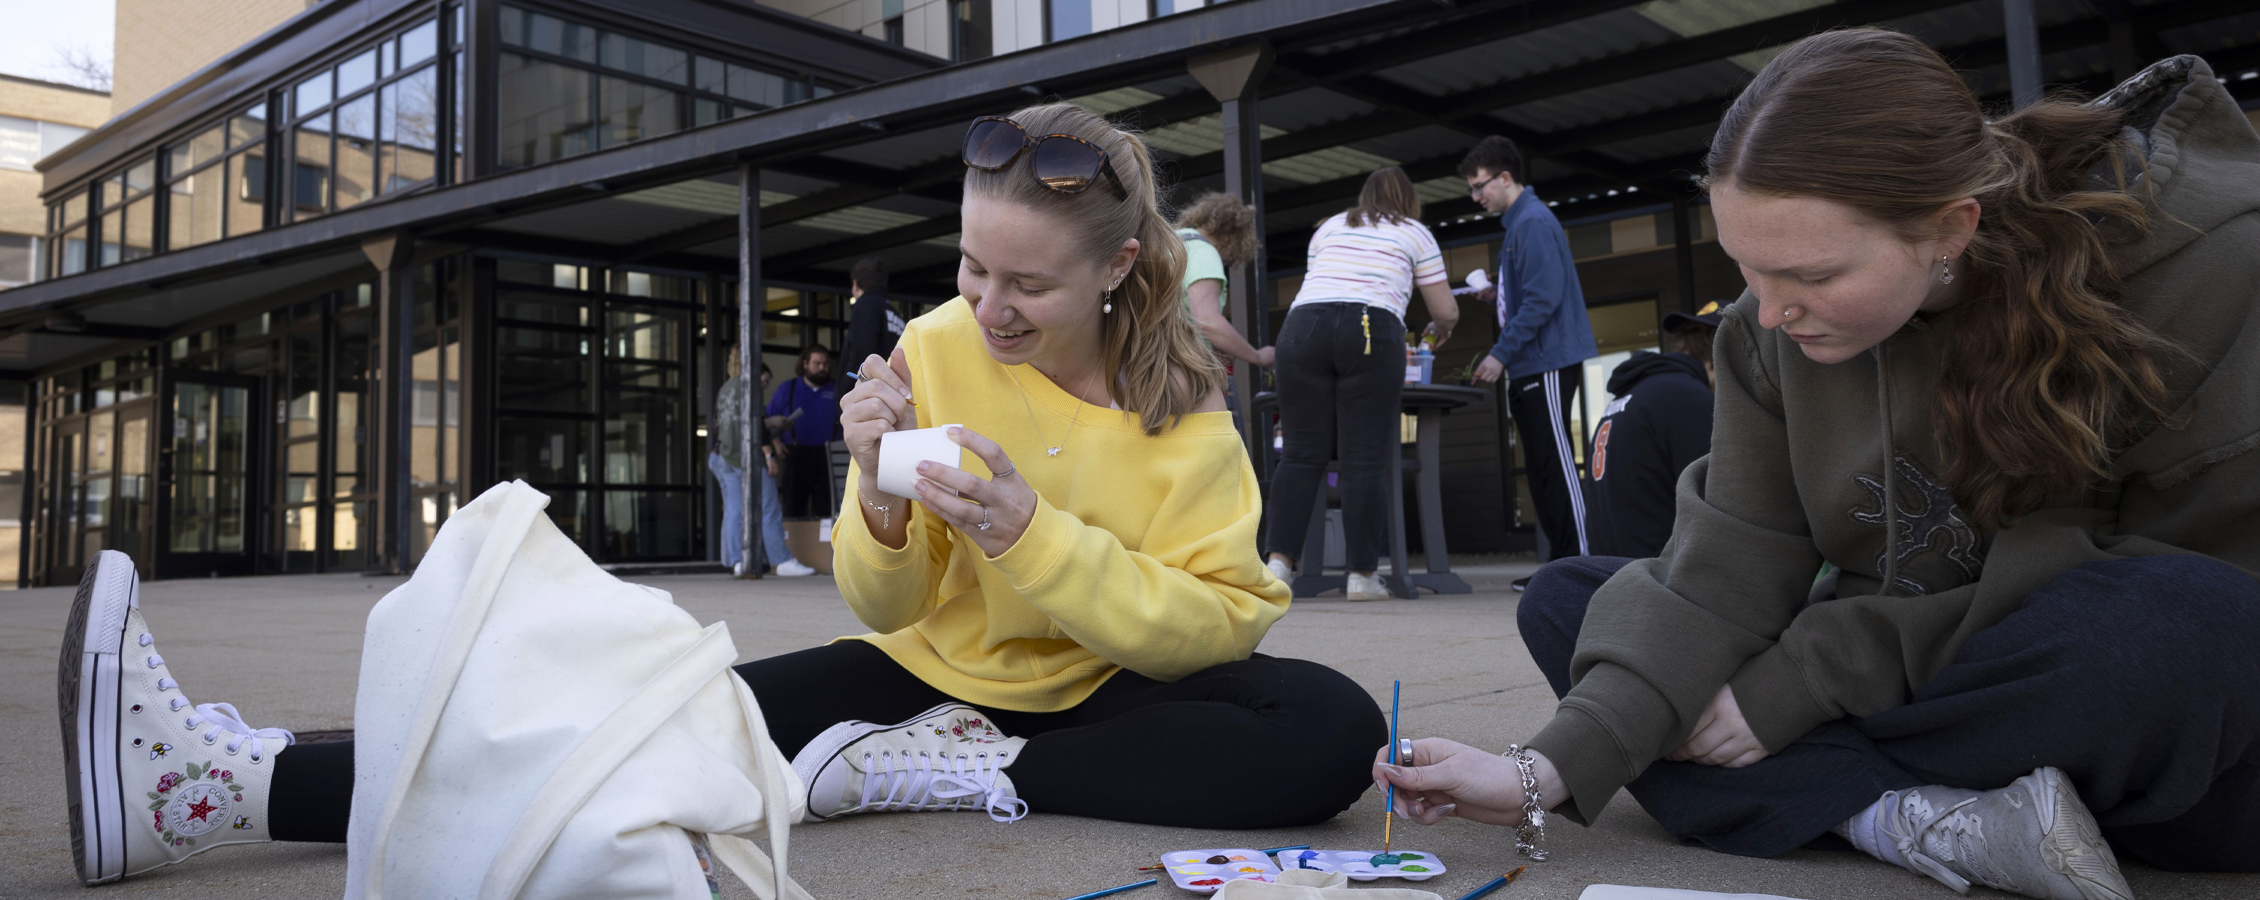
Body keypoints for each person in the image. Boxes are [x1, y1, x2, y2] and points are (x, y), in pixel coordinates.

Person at [57, 105, 1391, 887]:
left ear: (1116, 271)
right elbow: (889, 600)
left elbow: (1213, 623)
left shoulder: (1185, 414)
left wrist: (1037, 539)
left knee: (1327, 729)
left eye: (1026, 287)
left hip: (1112, 688)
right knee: (652, 722)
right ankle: (227, 784)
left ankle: (984, 776)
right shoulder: (935, 348)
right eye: (972, 268)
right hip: (923, 671)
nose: (985, 308)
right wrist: (874, 496)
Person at [1374, 32, 2260, 900]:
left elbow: (2171, 585)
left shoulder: (2205, 267)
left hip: (2169, 749)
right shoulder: (1770, 331)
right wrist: (1543, 770)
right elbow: (1734, 556)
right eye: (1747, 270)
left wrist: (1805, 679)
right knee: (1571, 601)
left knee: (2180, 627)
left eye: (1811, 274)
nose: (1767, 315)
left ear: (1951, 226)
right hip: (1931, 689)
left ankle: (1834, 801)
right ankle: (1916, 819)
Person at [1262, 167, 1459, 601]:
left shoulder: (1331, 226)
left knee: (1298, 455)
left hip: (1301, 329)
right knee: (1362, 460)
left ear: (1364, 196)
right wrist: (1442, 327)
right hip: (1371, 329)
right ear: (1409, 200)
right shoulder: (1415, 232)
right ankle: (1362, 576)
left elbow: (1325, 289)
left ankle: (1278, 566)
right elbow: (1444, 309)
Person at [1461, 135, 1599, 588]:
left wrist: (1500, 353)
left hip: (1548, 360)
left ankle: (1582, 565)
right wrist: (1496, 292)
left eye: (1480, 186)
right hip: (1532, 362)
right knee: (1542, 467)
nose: (1476, 196)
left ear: (1505, 177)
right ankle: (1560, 569)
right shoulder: (1520, 224)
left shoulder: (1533, 222)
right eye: (1472, 189)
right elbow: (1531, 293)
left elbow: (1544, 298)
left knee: (1556, 464)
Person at [1583, 303, 1719, 558]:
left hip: (1611, 571)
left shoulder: (1632, 395)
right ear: (1722, 353)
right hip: (1655, 575)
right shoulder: (1686, 397)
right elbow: (1714, 499)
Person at [1172, 191, 1274, 369]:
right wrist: (1256, 356)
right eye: (1231, 258)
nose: (1228, 261)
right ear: (1233, 235)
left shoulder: (1172, 242)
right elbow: (1207, 321)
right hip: (1181, 364)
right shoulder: (1204, 252)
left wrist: (1219, 345)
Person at [764, 345, 841, 519]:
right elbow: (767, 421)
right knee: (793, 508)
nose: (822, 368)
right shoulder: (787, 389)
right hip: (795, 455)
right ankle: (794, 546)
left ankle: (824, 545)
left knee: (827, 512)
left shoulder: (837, 390)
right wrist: (776, 444)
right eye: (817, 363)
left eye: (825, 364)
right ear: (805, 364)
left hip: (828, 457)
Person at [840, 256, 905, 382]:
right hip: (894, 389)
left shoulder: (866, 305)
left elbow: (862, 352)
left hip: (870, 393)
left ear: (855, 284)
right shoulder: (894, 314)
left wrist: (848, 391)